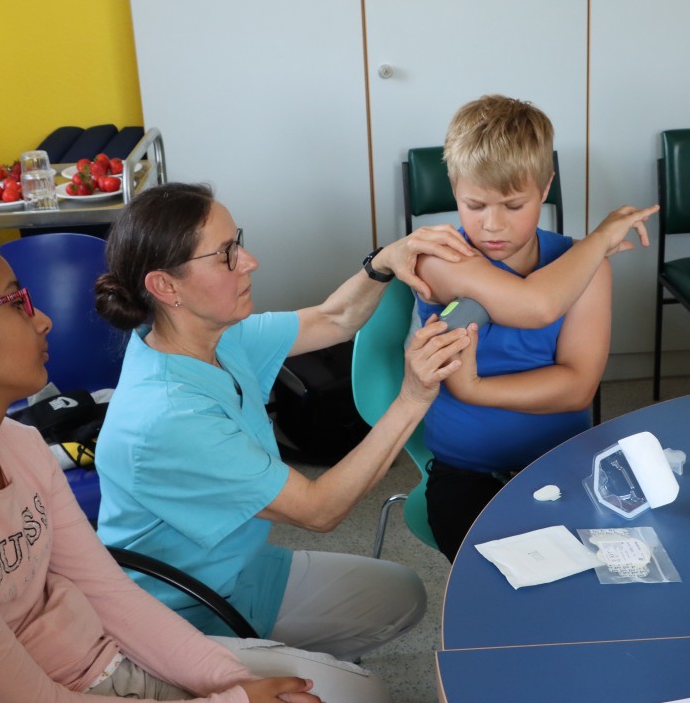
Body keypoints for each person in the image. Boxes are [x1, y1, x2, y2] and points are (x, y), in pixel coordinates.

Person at [0, 227, 386, 703]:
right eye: (17, 302)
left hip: (101, 664)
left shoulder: (19, 445)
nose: (45, 319)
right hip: (51, 693)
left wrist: (231, 680)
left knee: (355, 693)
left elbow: (109, 594)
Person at [92, 183, 474, 662]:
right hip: (184, 617)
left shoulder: (213, 336)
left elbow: (335, 318)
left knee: (402, 595)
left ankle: (283, 660)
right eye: (226, 254)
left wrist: (383, 262)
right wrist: (413, 398)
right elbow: (319, 510)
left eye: (239, 242)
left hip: (240, 571)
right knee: (365, 696)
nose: (249, 261)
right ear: (165, 286)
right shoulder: (168, 416)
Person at [410, 94, 660, 561]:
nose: (492, 225)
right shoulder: (439, 259)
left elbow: (576, 388)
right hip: (467, 475)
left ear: (545, 187)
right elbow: (535, 306)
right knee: (502, 587)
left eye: (513, 204)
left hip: (566, 463)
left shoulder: (585, 266)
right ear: (453, 189)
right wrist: (600, 240)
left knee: (616, 577)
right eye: (474, 204)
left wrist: (476, 389)